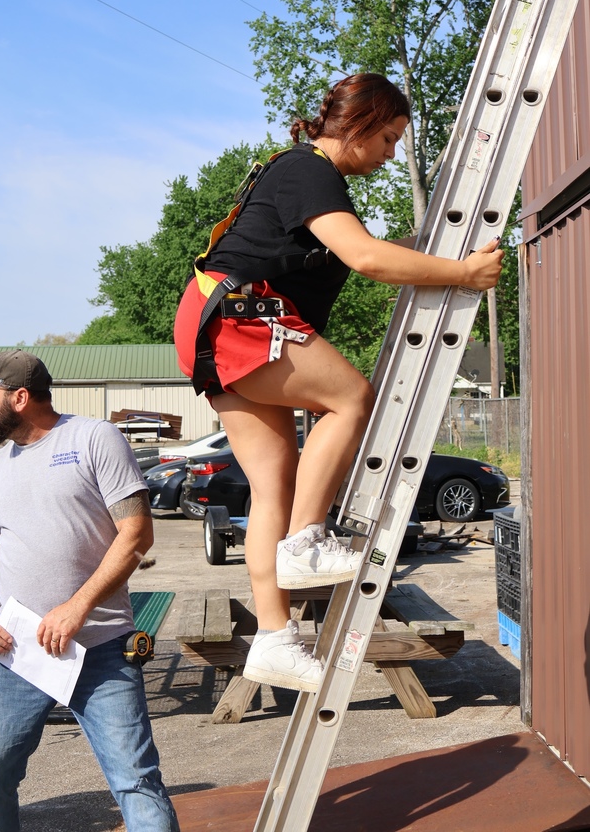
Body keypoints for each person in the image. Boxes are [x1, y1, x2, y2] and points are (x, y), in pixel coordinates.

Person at [174, 72, 504, 693]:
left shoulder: (300, 177)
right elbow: (369, 258)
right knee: (352, 397)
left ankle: (274, 640)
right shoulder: (309, 170)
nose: (391, 153)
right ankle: (306, 543)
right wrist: (461, 273)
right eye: (387, 137)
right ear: (357, 125)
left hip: (213, 315)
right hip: (242, 317)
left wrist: (444, 249)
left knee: (272, 484)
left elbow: (375, 249)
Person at [0, 350, 179, 832]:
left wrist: (77, 607)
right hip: (16, 654)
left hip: (100, 648)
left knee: (136, 781)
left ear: (19, 397)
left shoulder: (95, 438)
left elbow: (137, 533)